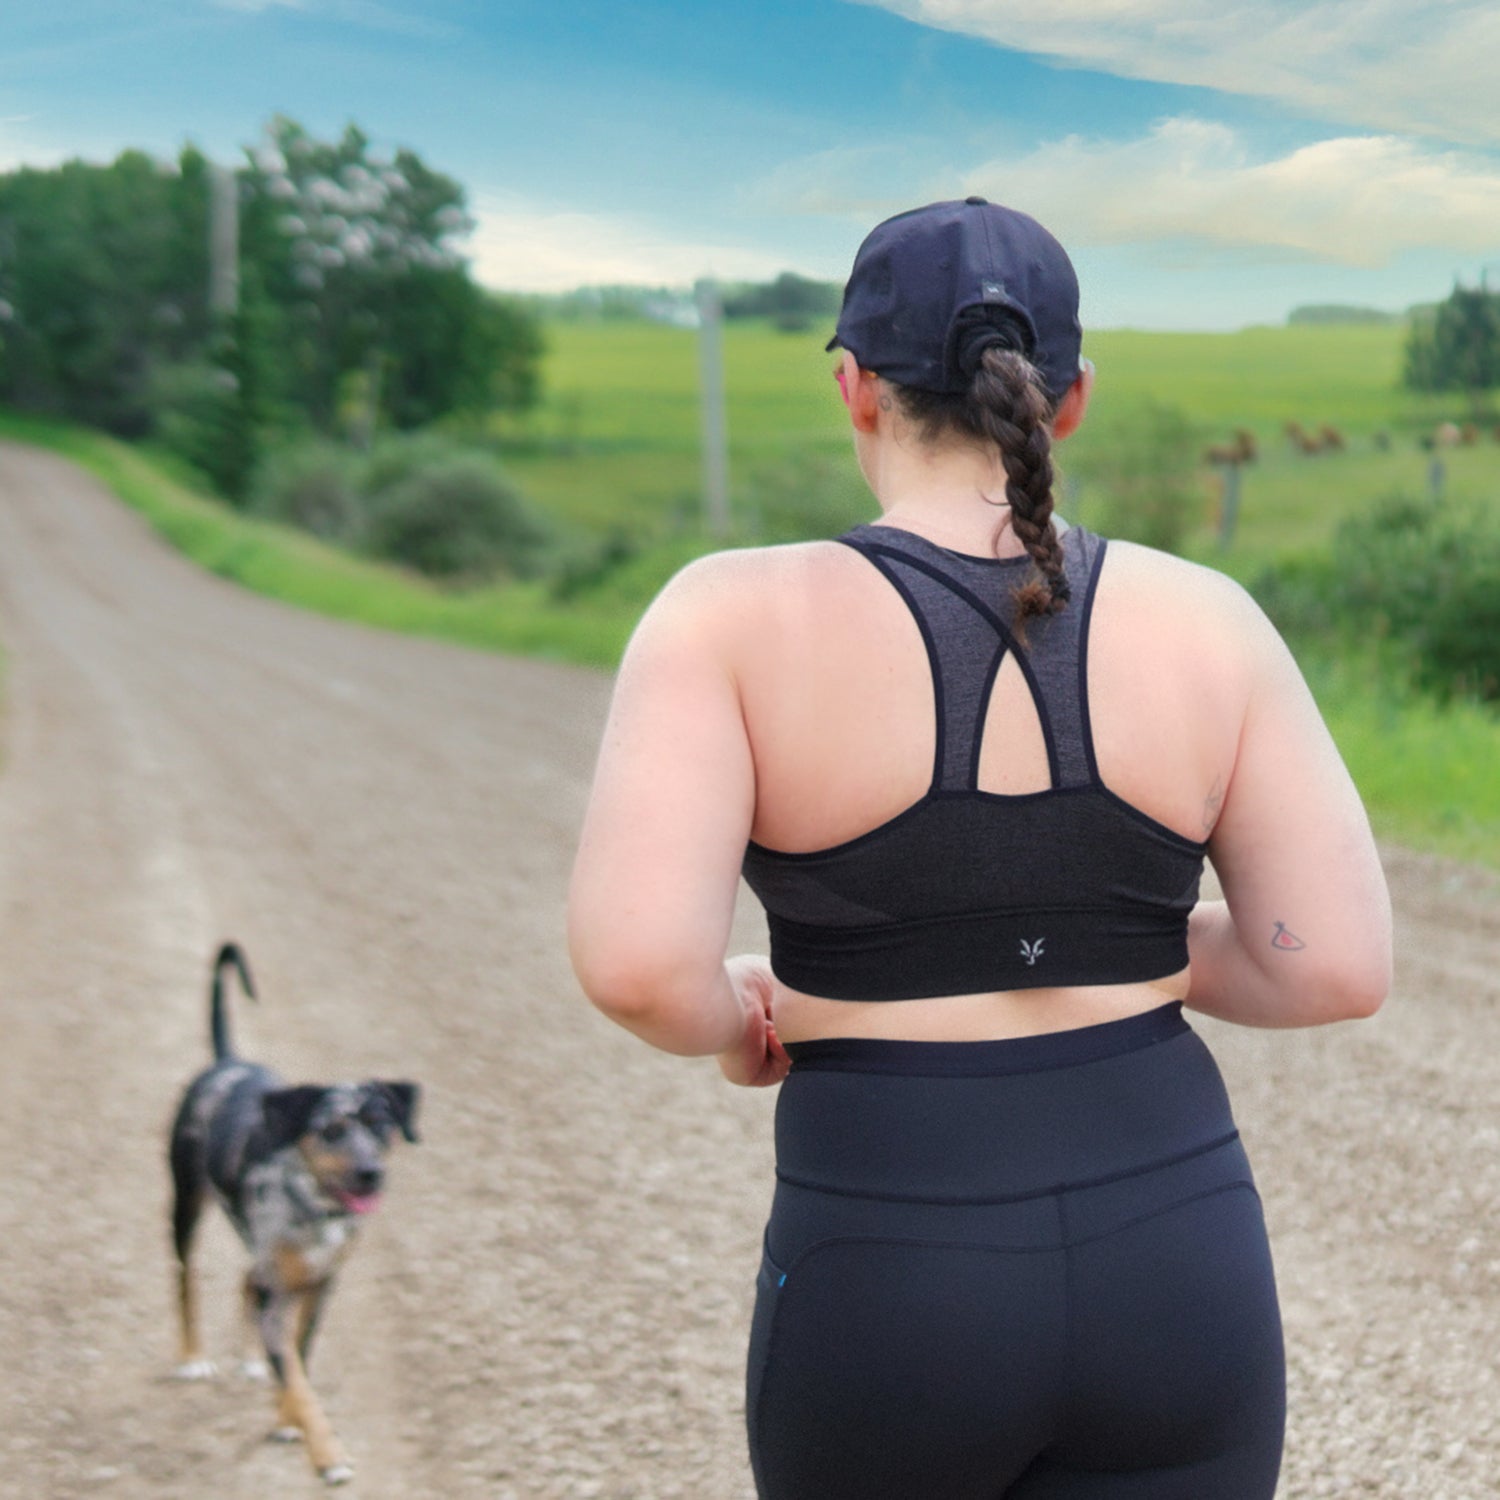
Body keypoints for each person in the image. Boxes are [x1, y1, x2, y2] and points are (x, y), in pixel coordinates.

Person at [568, 198, 1392, 1499]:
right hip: (1177, 1257)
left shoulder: (727, 619)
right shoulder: (1209, 621)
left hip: (889, 1271)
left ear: (853, 388)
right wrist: (1116, 941)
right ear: (1071, 403)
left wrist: (743, 1023)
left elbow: (636, 968)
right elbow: (1331, 965)